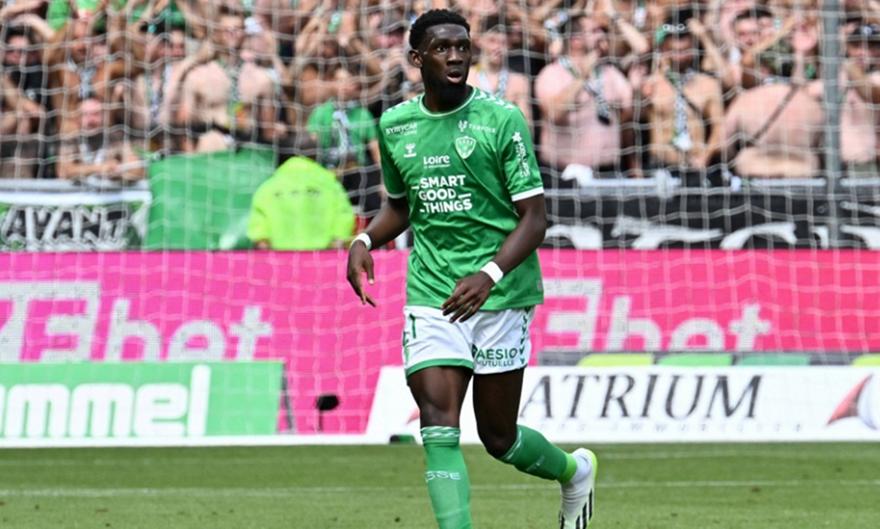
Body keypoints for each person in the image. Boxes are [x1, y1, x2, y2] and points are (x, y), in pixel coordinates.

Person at [345, 9, 597, 529]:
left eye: (462, 46)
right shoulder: (396, 125)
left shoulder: (501, 120)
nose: (456, 56)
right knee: (438, 425)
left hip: (501, 292)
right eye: (442, 48)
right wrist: (366, 238)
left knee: (499, 438)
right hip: (432, 291)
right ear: (417, 58)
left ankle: (574, 472)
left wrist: (490, 275)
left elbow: (535, 219)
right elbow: (400, 205)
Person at [535, 12, 636, 183]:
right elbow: (554, 114)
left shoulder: (611, 72)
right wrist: (582, 77)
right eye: (594, 31)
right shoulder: (551, 73)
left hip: (607, 172)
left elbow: (630, 116)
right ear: (575, 40)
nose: (602, 35)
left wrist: (637, 88)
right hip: (564, 175)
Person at [638, 15, 724, 184]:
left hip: (695, 166)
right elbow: (630, 122)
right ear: (664, 50)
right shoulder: (651, 84)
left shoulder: (708, 85)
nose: (679, 56)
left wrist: (705, 158)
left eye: (685, 50)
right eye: (674, 50)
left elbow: (719, 128)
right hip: (659, 167)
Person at [248, 138, 355, 250]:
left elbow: (259, 234)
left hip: (279, 258)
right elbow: (344, 217)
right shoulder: (330, 184)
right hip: (322, 257)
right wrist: (335, 245)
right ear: (316, 156)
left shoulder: (268, 187)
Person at [808, 22, 880, 178]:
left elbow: (871, 94)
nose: (863, 52)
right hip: (826, 165)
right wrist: (805, 52)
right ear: (848, 47)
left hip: (861, 166)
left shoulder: (874, 77)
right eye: (856, 46)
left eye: (872, 47)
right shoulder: (838, 75)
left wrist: (841, 58)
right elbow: (804, 94)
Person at [56, 96, 145, 183]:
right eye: (85, 115)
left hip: (109, 192)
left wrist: (119, 173)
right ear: (77, 118)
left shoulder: (116, 138)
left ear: (104, 116)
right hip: (78, 192)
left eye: (96, 114)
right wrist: (98, 168)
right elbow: (63, 171)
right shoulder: (70, 140)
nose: (91, 120)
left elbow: (137, 169)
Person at [467, 15, 531, 123]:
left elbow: (526, 124)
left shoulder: (519, 81)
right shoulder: (467, 77)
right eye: (492, 41)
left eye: (503, 43)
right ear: (479, 41)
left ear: (509, 45)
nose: (497, 47)